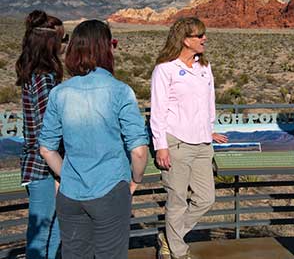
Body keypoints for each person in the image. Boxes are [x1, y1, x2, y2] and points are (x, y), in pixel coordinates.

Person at [38, 20, 149, 259]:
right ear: (105, 48)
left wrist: (66, 175)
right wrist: (135, 180)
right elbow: (139, 150)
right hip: (111, 190)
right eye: (113, 44)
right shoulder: (120, 91)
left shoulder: (59, 93)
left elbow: (47, 148)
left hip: (71, 194)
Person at [150, 17, 228, 259]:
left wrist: (209, 128)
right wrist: (161, 145)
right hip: (177, 144)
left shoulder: (205, 68)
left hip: (203, 143)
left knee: (206, 198)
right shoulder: (165, 69)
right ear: (185, 40)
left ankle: (169, 237)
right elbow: (158, 110)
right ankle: (179, 252)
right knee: (177, 201)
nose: (205, 38)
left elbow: (208, 103)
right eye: (199, 35)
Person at [15, 10, 67, 259]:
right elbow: (49, 131)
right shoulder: (45, 80)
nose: (64, 46)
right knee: (44, 232)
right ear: (50, 44)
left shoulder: (32, 75)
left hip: (38, 164)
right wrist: (59, 171)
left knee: (51, 228)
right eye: (62, 40)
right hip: (45, 167)